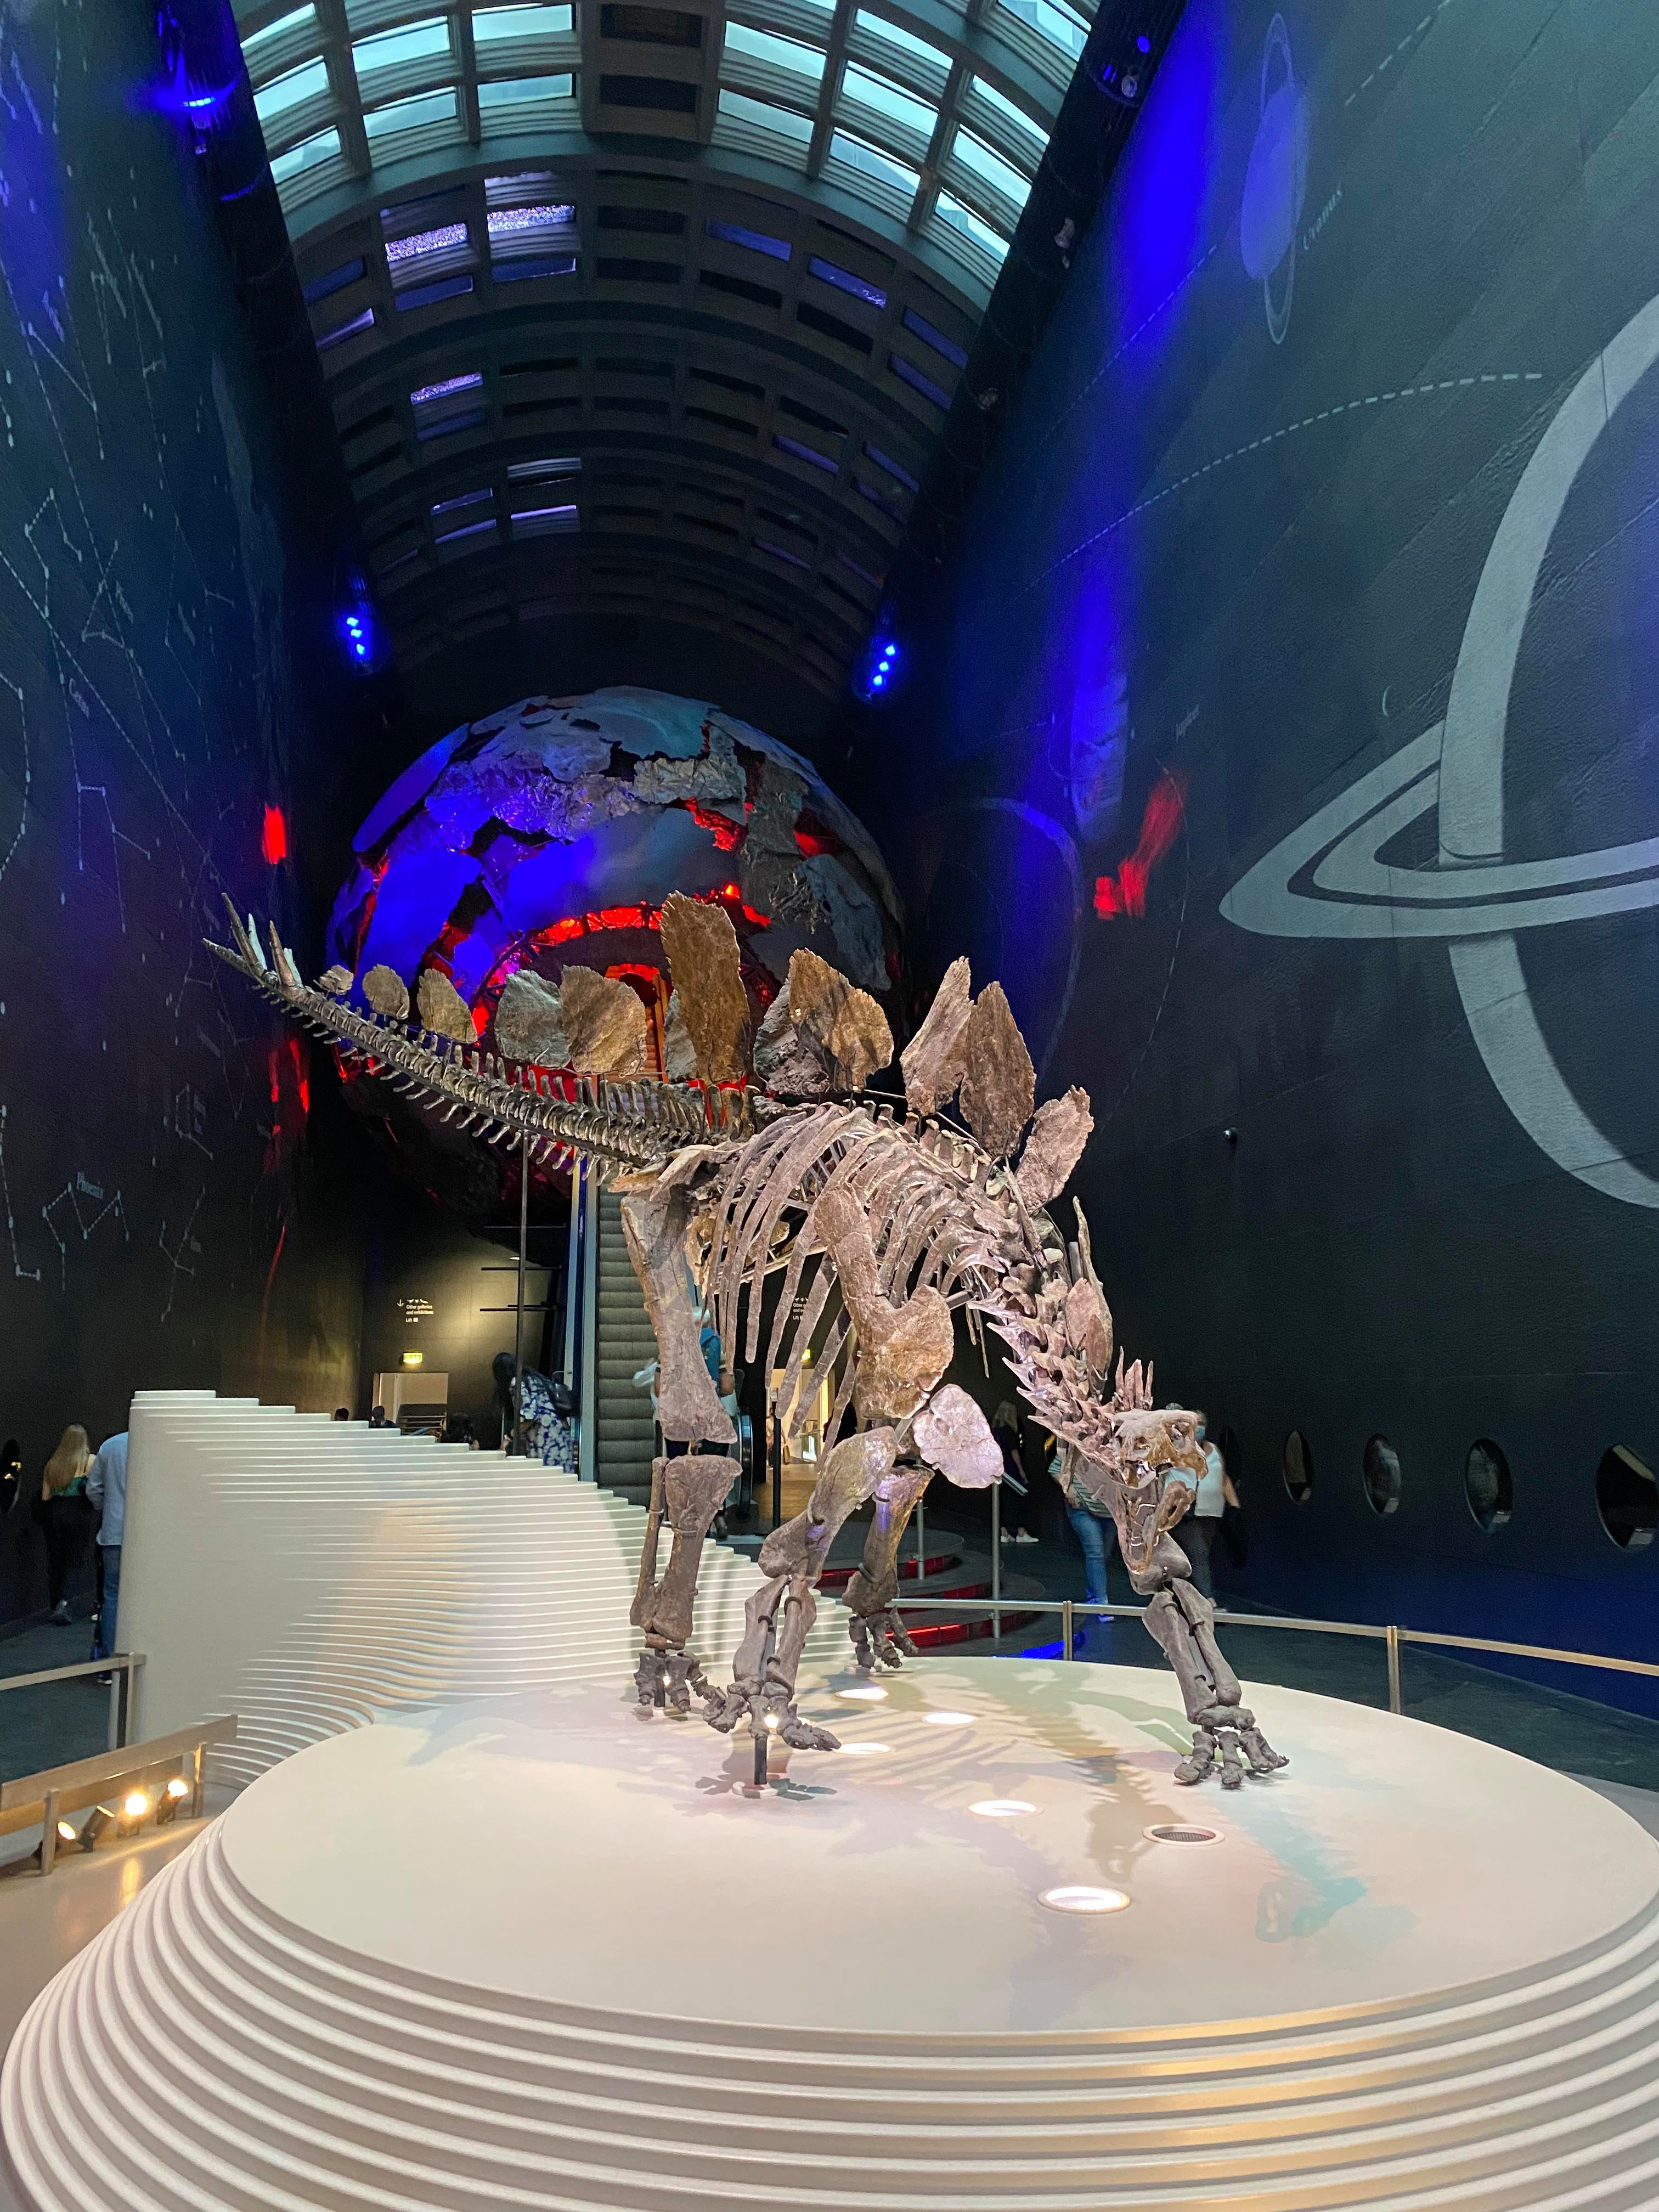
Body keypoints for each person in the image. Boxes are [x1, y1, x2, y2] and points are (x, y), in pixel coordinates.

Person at [1171, 1409, 1238, 1602]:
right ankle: (1207, 1600)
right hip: (1186, 1514)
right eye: (1194, 1423)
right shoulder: (1177, 1449)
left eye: (1201, 1423)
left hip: (1211, 1514)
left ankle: (1186, 1599)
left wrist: (1235, 1508)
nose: (1198, 1427)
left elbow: (1224, 1479)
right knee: (1198, 1552)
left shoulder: (1214, 1450)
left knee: (1199, 1555)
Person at [36, 1425, 93, 1624]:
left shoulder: (53, 1464)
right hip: (79, 1512)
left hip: (55, 1512)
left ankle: (55, 1604)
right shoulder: (89, 1461)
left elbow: (45, 1496)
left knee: (56, 1560)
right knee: (75, 1558)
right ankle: (66, 1602)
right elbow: (94, 1489)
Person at [84, 1429, 127, 1658]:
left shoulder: (110, 1446)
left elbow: (94, 1489)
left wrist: (108, 1509)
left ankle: (111, 1660)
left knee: (112, 1595)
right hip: (153, 1536)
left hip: (113, 1534)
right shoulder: (164, 1445)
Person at [992, 1402, 1038, 1544]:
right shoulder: (1010, 1431)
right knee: (1020, 1499)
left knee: (1002, 1500)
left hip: (1000, 1470)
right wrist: (1022, 1472)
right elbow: (1014, 1452)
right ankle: (1021, 1532)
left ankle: (1004, 1533)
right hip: (1011, 1469)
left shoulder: (995, 1430)